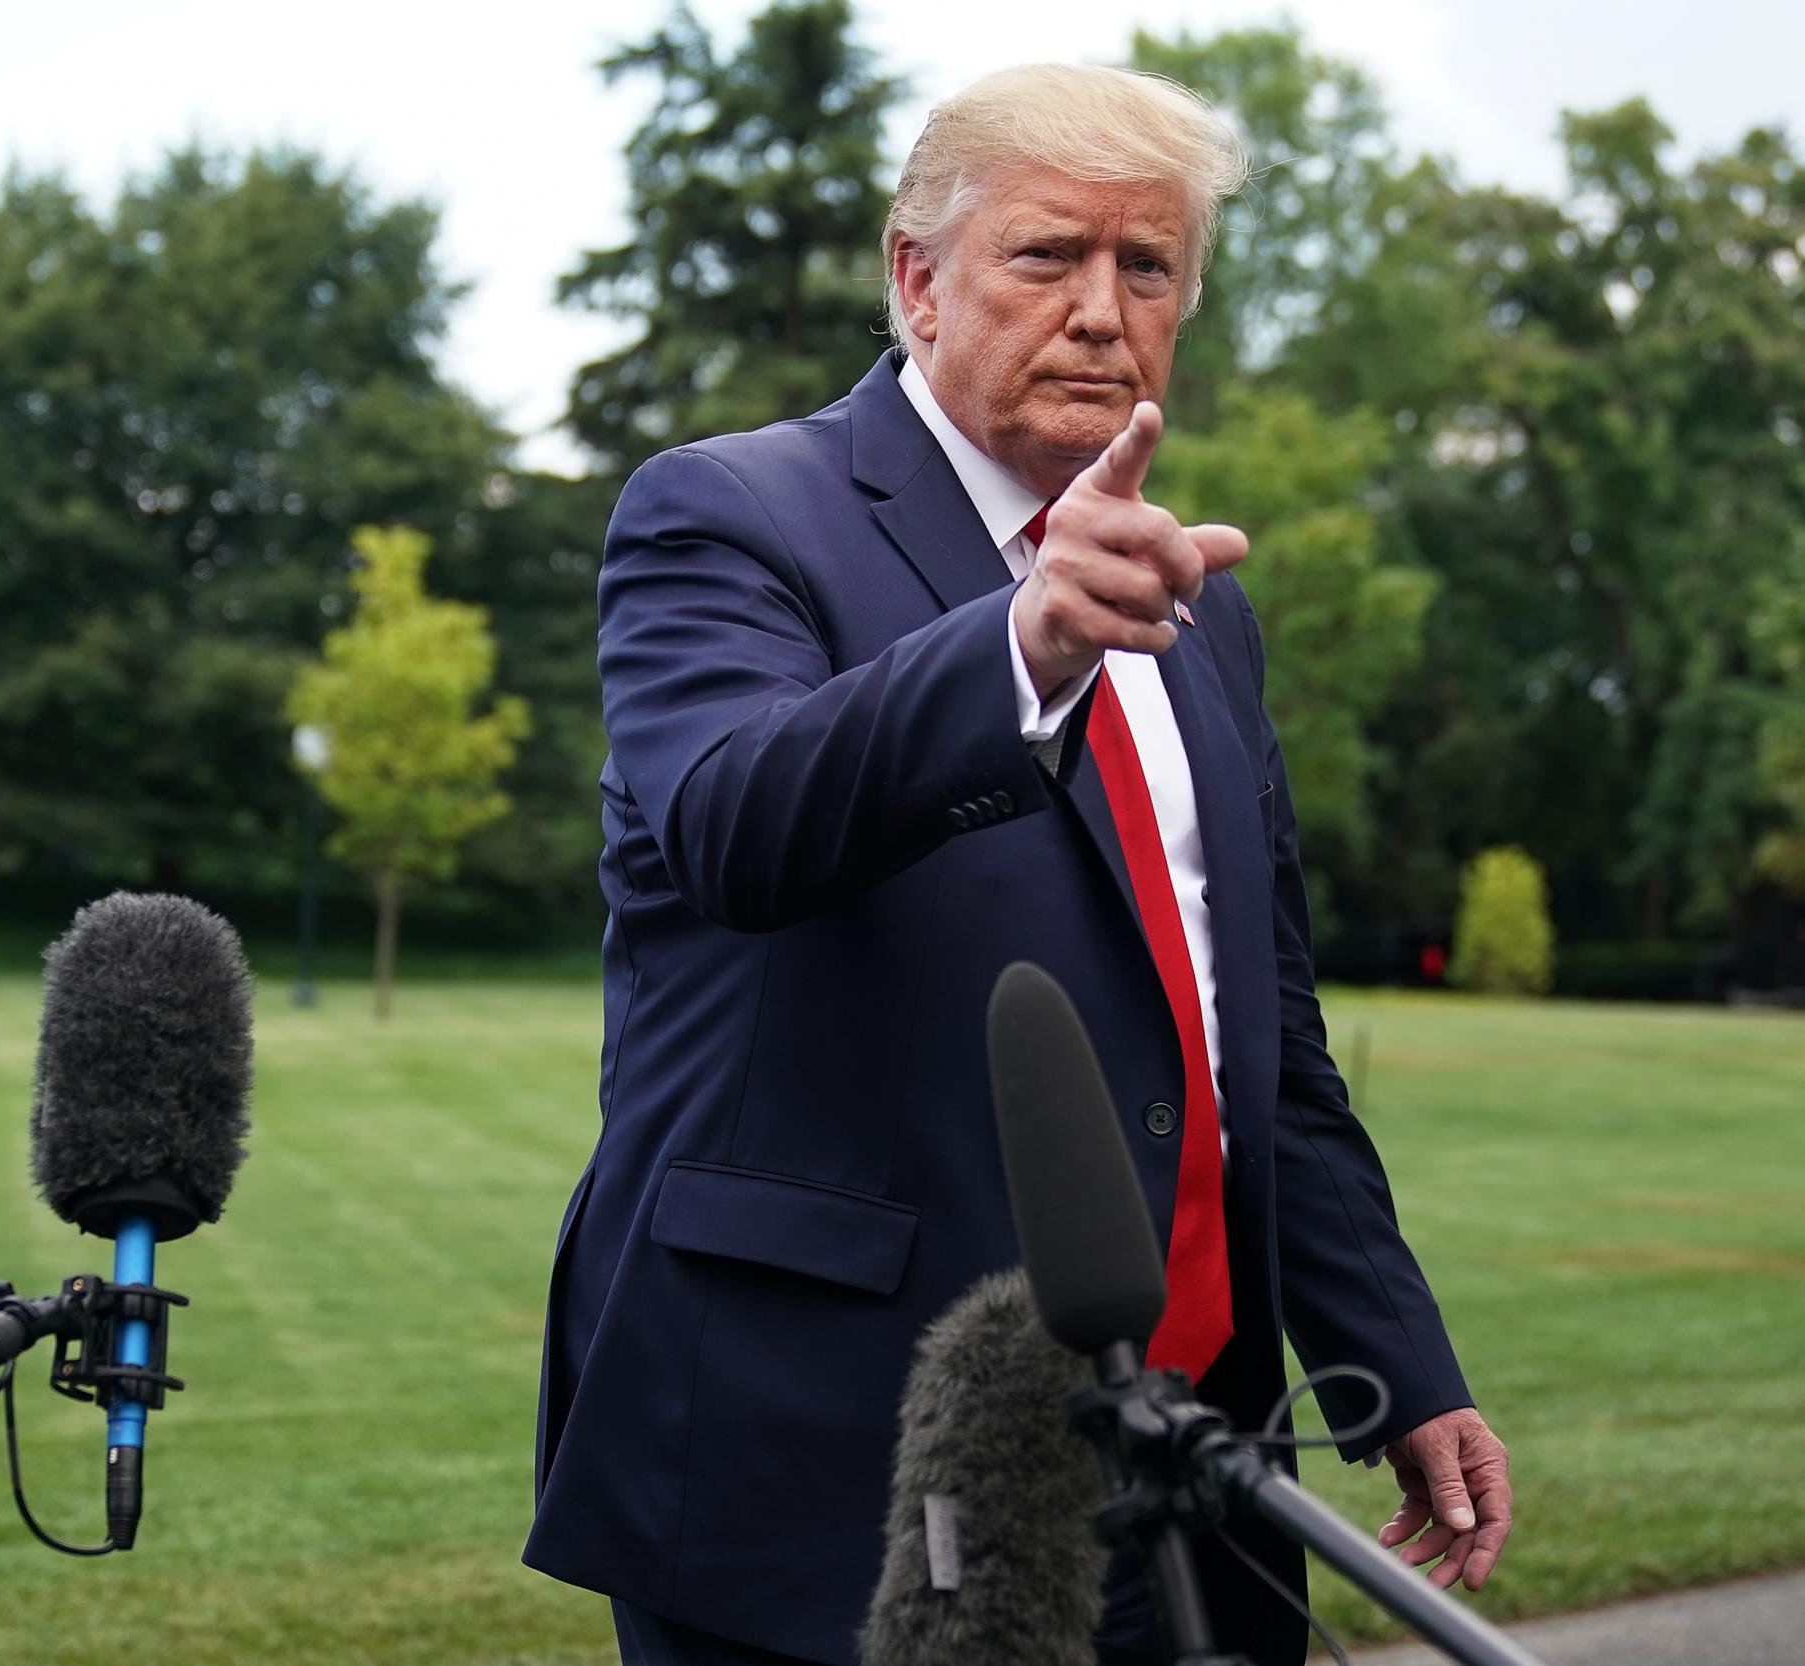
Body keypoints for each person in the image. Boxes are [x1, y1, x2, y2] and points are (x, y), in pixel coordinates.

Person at [523, 63, 1514, 1666]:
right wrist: (1023, 641)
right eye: (1050, 256)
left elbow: (1255, 1036)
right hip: (840, 1472)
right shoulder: (725, 515)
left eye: (1150, 269)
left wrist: (1396, 1359)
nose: (1104, 312)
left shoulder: (1203, 607)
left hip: (1196, 1468)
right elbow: (735, 823)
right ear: (916, 278)